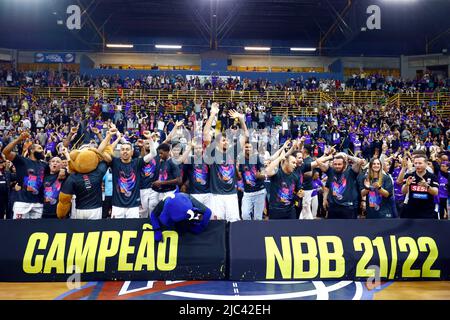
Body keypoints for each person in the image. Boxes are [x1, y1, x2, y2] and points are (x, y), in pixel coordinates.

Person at [99, 129, 157, 219]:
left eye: (127, 149)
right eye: (122, 149)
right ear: (119, 152)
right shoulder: (114, 162)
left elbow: (153, 153)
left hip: (133, 206)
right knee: (116, 230)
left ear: (132, 152)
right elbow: (100, 151)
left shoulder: (137, 162)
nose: (125, 151)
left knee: (132, 232)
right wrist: (109, 136)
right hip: (117, 205)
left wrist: (149, 138)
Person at [2, 132, 48, 219]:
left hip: (38, 203)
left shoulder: (44, 165)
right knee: (19, 230)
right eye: (39, 148)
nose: (42, 150)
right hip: (22, 202)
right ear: (31, 150)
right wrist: (19, 139)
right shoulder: (22, 160)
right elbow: (5, 152)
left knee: (36, 230)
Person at [323, 153, 365, 219]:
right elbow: (327, 187)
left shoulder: (351, 171)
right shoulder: (332, 172)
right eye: (335, 164)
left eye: (339, 164)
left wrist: (348, 156)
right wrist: (324, 199)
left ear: (344, 163)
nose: (337, 166)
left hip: (348, 206)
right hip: (334, 206)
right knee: (332, 228)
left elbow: (360, 161)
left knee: (348, 228)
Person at [402, 154, 439, 219]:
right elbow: (403, 192)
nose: (417, 165)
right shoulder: (409, 176)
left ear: (426, 164)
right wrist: (407, 185)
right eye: (415, 163)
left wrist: (426, 186)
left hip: (427, 211)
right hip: (411, 211)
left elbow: (435, 192)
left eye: (420, 163)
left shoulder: (432, 176)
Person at [237, 141, 266, 220]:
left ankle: (257, 232)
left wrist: (260, 175)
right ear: (243, 148)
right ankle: (249, 231)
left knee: (257, 218)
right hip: (247, 193)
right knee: (245, 215)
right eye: (246, 147)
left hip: (259, 192)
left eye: (250, 147)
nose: (248, 149)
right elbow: (240, 176)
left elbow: (264, 173)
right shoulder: (241, 160)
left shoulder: (257, 158)